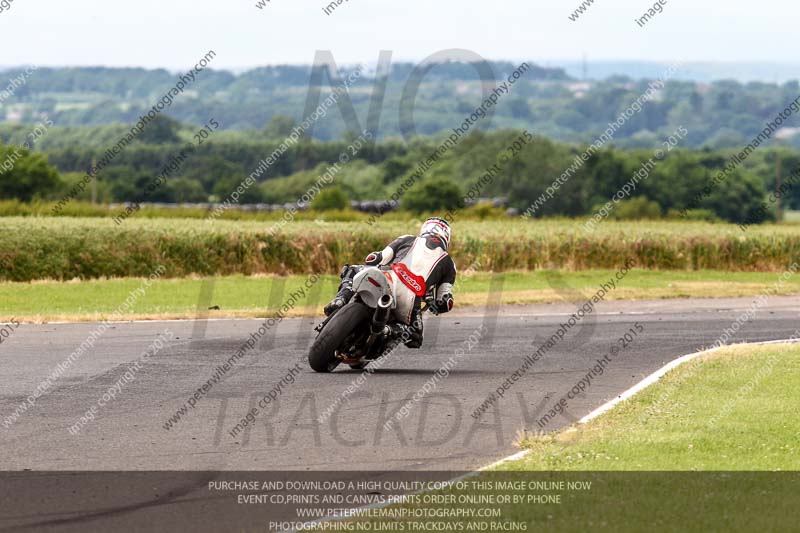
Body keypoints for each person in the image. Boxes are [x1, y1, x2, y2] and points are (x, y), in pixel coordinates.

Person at [324, 217, 457, 348]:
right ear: (447, 238)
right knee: (415, 338)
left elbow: (379, 257)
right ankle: (388, 330)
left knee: (351, 270)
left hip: (387, 279)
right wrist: (437, 304)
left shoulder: (407, 238)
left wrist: (374, 260)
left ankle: (341, 299)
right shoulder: (449, 263)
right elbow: (445, 299)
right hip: (409, 301)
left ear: (425, 229)